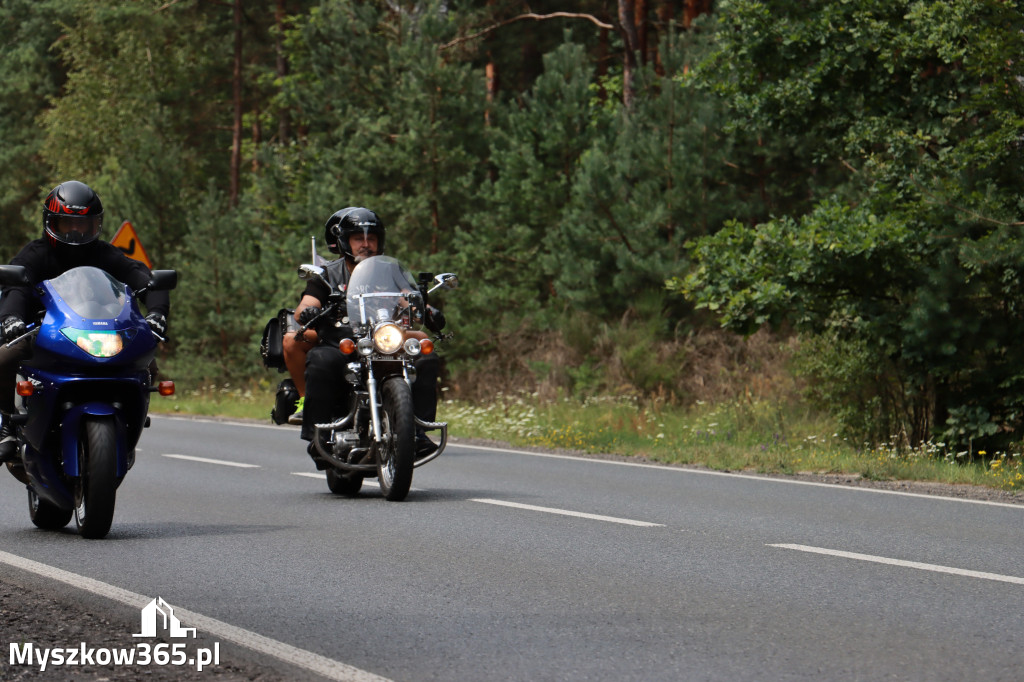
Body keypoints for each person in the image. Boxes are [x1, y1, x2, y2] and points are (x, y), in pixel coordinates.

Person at [0, 181, 170, 463]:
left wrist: (157, 314)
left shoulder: (105, 254)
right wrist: (11, 319)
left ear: (96, 226)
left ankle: (129, 422)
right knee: (4, 360)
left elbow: (145, 278)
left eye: (84, 225)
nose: (76, 232)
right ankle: (8, 423)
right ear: (50, 222)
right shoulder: (35, 254)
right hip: (44, 333)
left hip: (99, 331)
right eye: (67, 224)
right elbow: (16, 288)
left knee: (146, 363)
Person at [296, 207, 444, 466]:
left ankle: (417, 432)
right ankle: (319, 436)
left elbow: (407, 296)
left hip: (385, 338)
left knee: (425, 358)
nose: (366, 244)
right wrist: (309, 311)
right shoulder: (328, 274)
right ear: (344, 242)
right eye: (358, 238)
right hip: (345, 339)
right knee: (321, 360)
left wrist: (426, 309)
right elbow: (305, 305)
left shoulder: (391, 270)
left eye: (371, 238)